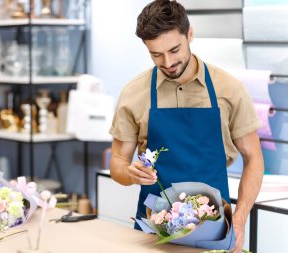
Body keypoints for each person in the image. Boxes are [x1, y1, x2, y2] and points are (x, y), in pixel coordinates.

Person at [109, 0, 264, 252]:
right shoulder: (134, 94)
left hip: (214, 230)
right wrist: (129, 173)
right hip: (153, 233)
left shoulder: (229, 89)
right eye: (156, 54)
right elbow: (117, 161)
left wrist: (240, 217)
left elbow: (254, 158)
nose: (167, 62)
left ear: (189, 33)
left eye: (174, 49)